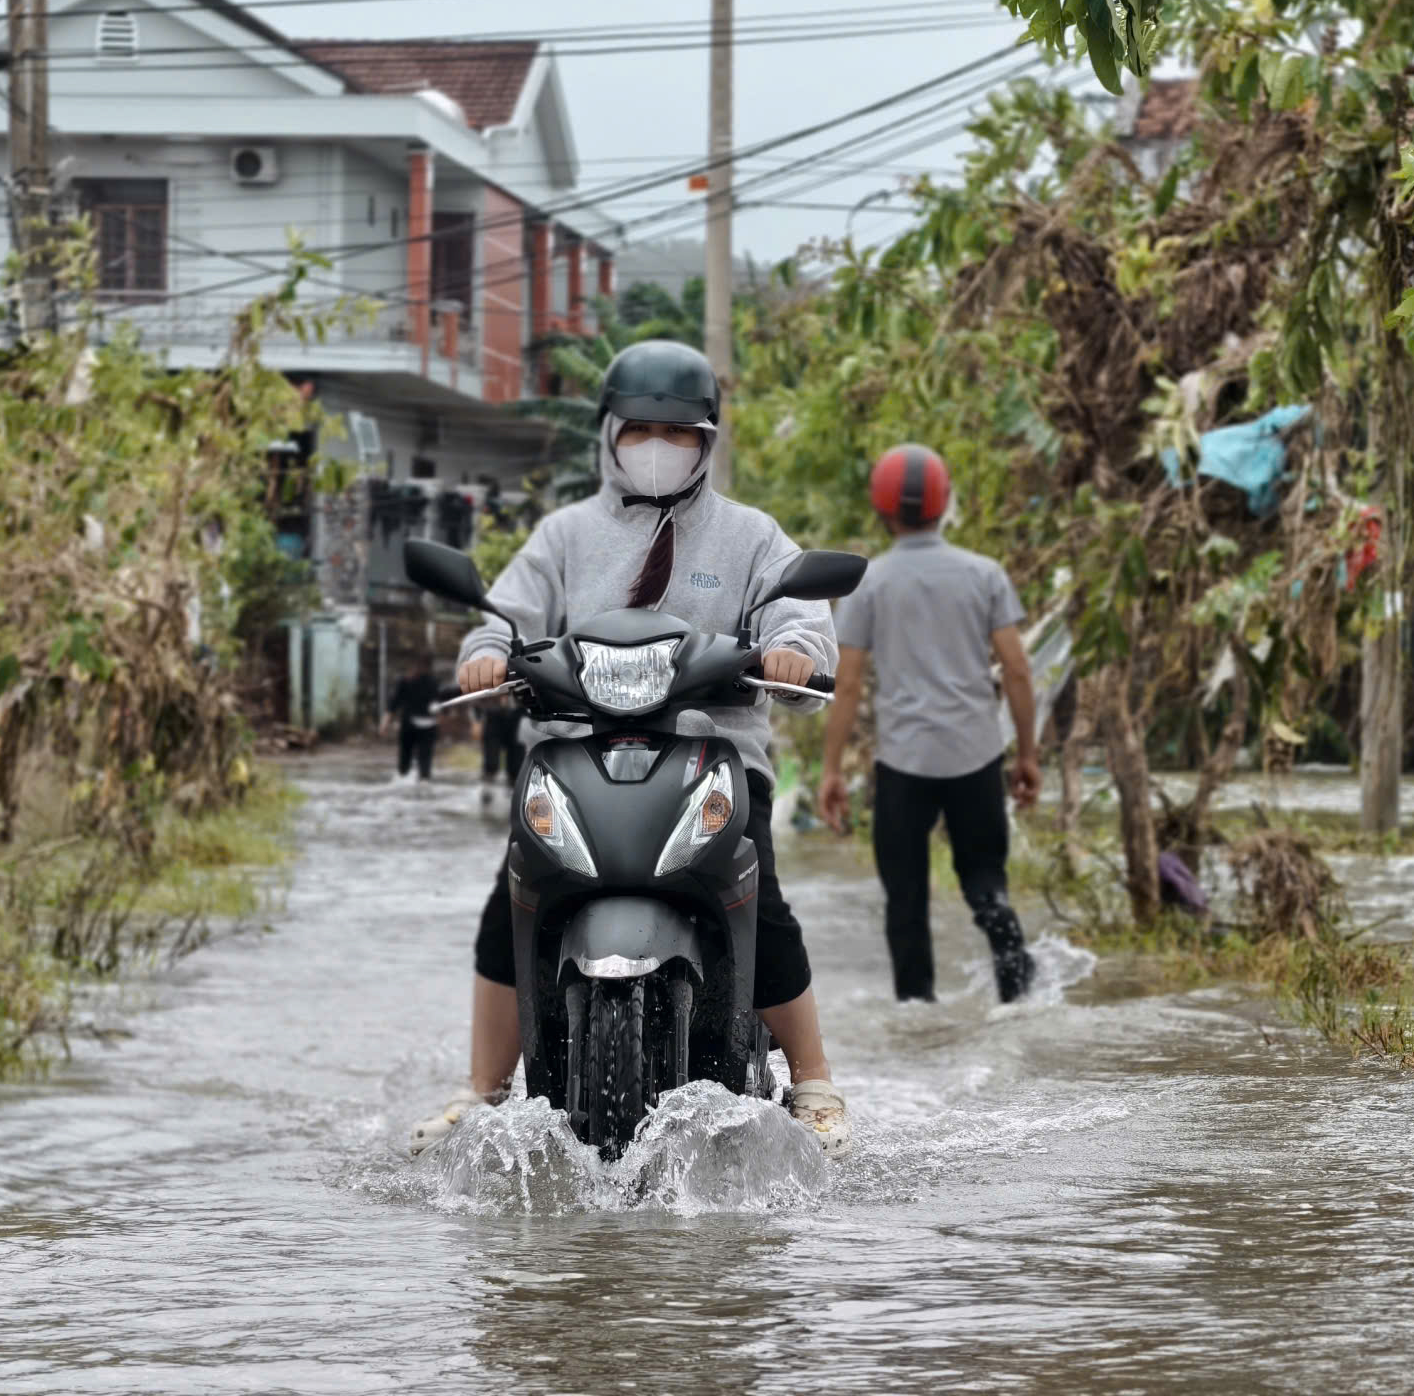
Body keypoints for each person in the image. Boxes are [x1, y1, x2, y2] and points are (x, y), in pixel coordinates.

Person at [409, 340, 853, 1157]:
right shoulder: (565, 535)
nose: (659, 447)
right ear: (609, 434)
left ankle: (815, 1083)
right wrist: (485, 649)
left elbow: (800, 615)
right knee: (511, 903)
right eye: (641, 430)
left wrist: (796, 653)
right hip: (575, 751)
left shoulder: (751, 537)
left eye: (679, 433)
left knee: (760, 889)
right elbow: (503, 613)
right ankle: (481, 1092)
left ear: (707, 441)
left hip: (710, 751)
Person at [817, 443, 1042, 1004]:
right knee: (986, 884)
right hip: (977, 756)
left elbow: (847, 683)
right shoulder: (984, 574)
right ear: (945, 505)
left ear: (881, 509)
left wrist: (831, 771)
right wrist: (1029, 755)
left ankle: (918, 1020)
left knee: (906, 901)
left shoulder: (870, 583)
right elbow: (1016, 668)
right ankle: (1020, 996)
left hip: (903, 764)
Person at [383, 662, 444, 782]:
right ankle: (417, 779)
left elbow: (394, 703)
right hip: (417, 725)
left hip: (420, 724)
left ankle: (412, 777)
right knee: (420, 756)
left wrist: (385, 723)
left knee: (415, 756)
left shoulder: (429, 682)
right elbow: (394, 703)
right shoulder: (425, 681)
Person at [477, 700, 526, 806]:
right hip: (494, 716)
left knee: (516, 761)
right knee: (491, 759)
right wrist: (477, 719)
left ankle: (514, 793)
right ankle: (487, 789)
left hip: (517, 716)